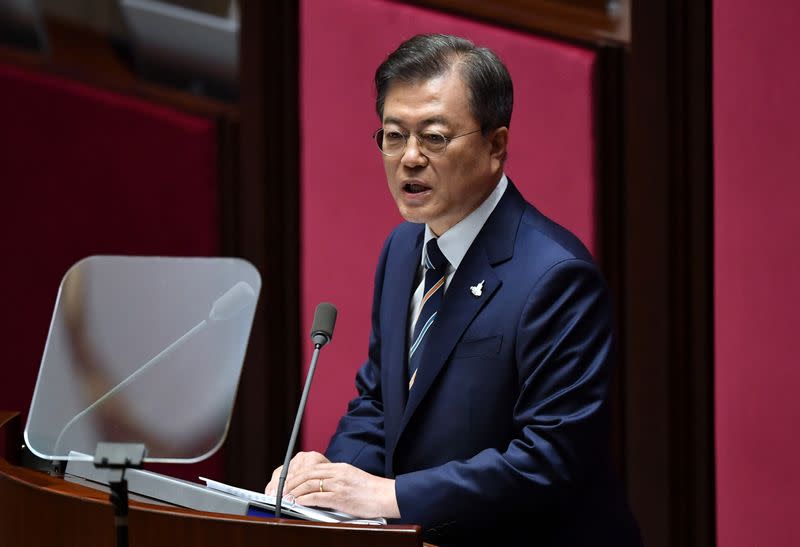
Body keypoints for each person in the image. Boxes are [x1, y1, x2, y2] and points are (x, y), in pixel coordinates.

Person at [266, 34, 642, 546]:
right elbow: (379, 404)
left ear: (496, 146)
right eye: (394, 135)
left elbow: (549, 459)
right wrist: (324, 487)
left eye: (435, 137)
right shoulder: (402, 251)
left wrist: (388, 498)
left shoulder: (556, 278)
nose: (410, 158)